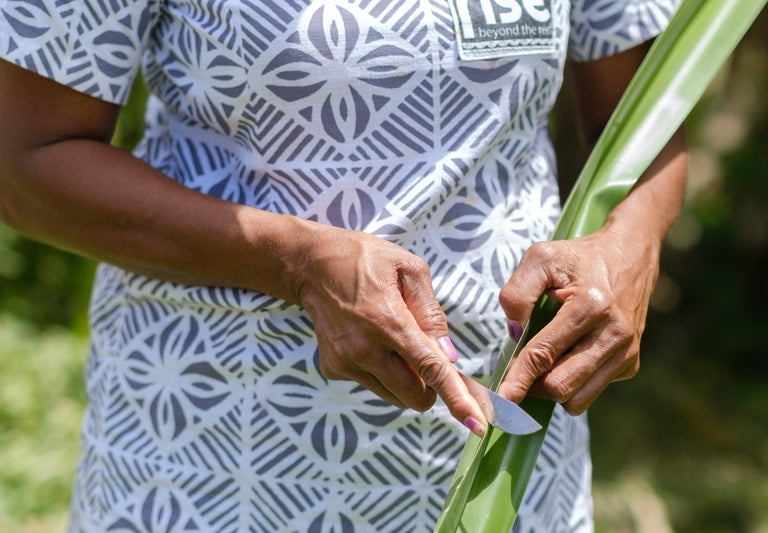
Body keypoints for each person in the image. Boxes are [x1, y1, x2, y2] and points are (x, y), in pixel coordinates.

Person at [0, 0, 687, 530]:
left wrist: (631, 247)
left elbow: (651, 115)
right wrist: (293, 262)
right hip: (216, 460)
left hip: (509, 469)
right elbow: (23, 162)